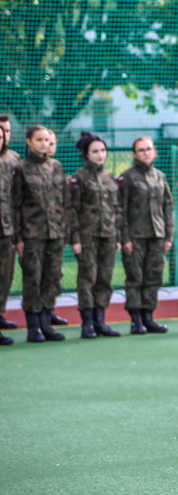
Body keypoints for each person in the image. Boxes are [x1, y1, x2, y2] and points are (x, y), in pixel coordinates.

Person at [12, 125, 69, 342]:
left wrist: (66, 232)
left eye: (47, 140)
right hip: (31, 235)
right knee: (32, 279)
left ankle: (47, 324)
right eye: (39, 140)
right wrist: (17, 238)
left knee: (51, 278)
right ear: (28, 141)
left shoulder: (56, 166)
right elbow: (15, 206)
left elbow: (65, 202)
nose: (44, 143)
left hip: (55, 234)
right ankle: (33, 328)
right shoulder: (21, 168)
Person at [69, 132, 123, 338]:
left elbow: (117, 209)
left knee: (105, 278)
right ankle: (87, 324)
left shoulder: (110, 177)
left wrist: (118, 237)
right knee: (87, 279)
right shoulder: (78, 178)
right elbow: (72, 210)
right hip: (87, 237)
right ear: (86, 154)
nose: (100, 155)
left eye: (103, 150)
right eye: (95, 151)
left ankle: (100, 321)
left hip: (108, 236)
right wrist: (74, 239)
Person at [119, 137, 175, 335]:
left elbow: (168, 206)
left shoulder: (160, 176)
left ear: (154, 151)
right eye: (141, 150)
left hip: (157, 235)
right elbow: (121, 210)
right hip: (135, 237)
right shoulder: (127, 177)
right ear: (134, 154)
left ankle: (149, 318)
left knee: (154, 277)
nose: (145, 153)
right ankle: (136, 320)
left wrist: (169, 235)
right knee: (135, 277)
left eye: (148, 149)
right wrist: (124, 237)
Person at [0, 118, 17, 335]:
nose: (4, 135)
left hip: (7, 229)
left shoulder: (14, 160)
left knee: (5, 275)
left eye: (5, 132)